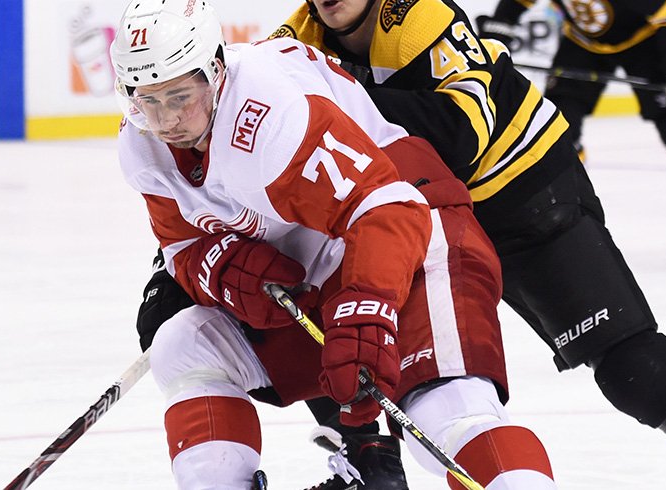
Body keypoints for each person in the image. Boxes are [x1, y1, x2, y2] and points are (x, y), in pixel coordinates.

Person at [112, 0, 559, 489]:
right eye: (146, 100)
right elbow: (183, 244)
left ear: (215, 71)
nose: (166, 120)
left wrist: (366, 313)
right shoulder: (142, 143)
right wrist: (224, 269)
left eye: (178, 96)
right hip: (318, 265)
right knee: (184, 345)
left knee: (445, 413)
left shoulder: (271, 112)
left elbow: (387, 209)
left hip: (415, 232)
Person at [267, 0, 666, 480]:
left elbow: (462, 136)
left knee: (632, 369)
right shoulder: (294, 42)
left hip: (522, 194)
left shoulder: (418, 16)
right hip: (424, 216)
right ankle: (368, 462)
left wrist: (334, 92)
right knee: (321, 316)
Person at [477, 0, 666, 200]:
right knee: (560, 122)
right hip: (582, 43)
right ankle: (567, 200)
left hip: (643, 41)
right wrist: (500, 26)